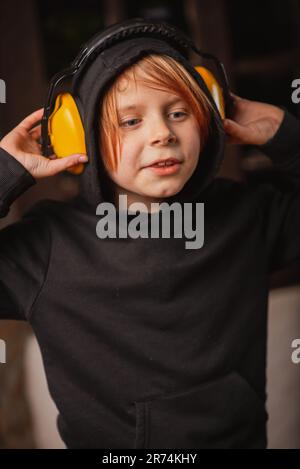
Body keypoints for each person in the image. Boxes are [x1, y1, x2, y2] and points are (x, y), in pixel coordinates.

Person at [0, 22, 299, 449]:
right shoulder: (47, 247)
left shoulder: (248, 215)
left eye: (178, 113)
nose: (162, 133)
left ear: (210, 116)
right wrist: (5, 174)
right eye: (130, 120)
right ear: (77, 134)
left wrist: (285, 133)